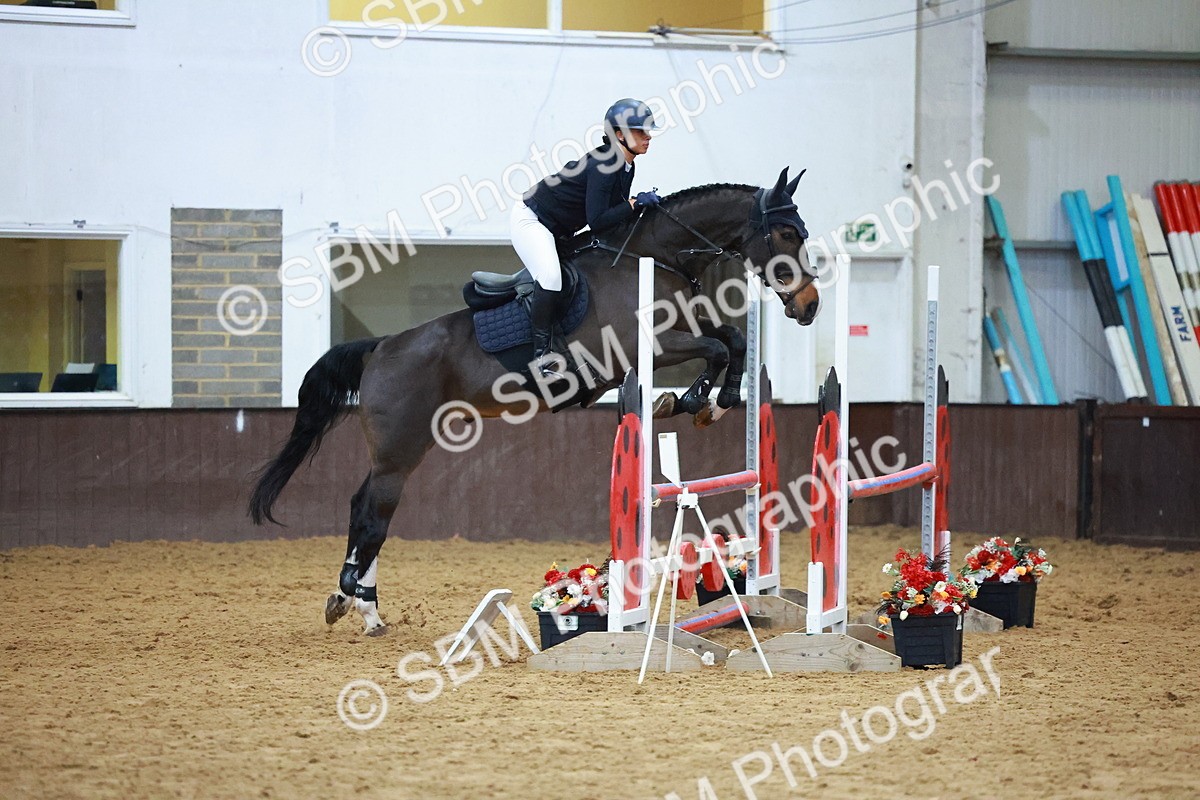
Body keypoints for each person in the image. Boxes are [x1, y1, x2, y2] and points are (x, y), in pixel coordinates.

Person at [511, 98, 662, 377]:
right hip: (532, 221)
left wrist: (637, 209)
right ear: (619, 135)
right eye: (640, 131)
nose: (648, 137)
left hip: (559, 229)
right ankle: (541, 359)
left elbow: (611, 217)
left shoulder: (626, 165)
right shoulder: (605, 164)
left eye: (647, 131)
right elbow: (598, 221)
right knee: (551, 277)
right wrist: (633, 204)